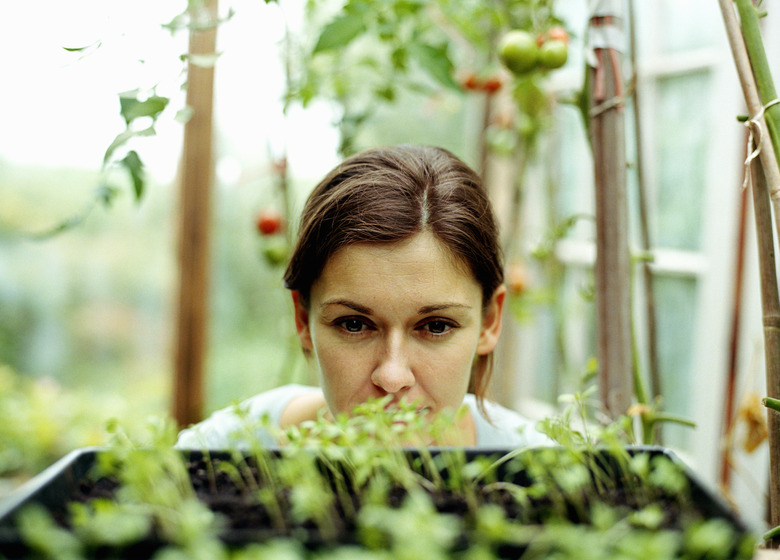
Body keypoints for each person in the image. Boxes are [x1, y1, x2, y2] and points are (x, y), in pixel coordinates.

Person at [176, 145, 549, 449]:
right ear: (302, 320)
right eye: (354, 324)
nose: (391, 375)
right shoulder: (215, 457)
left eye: (436, 326)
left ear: (489, 322)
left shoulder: (544, 471)